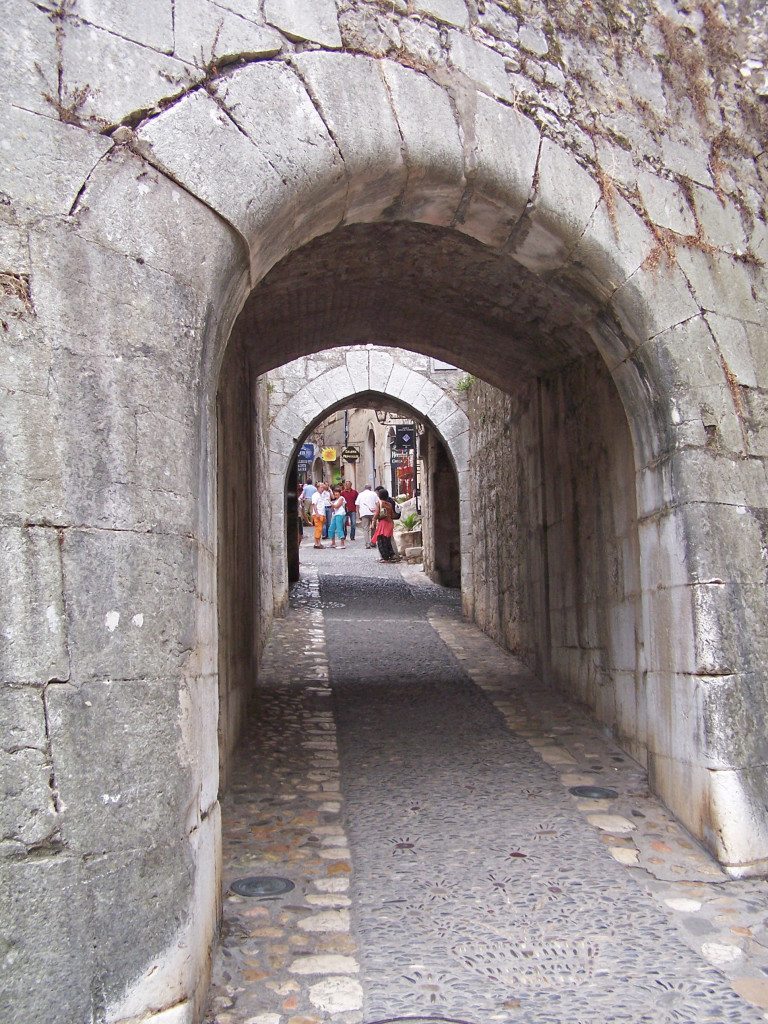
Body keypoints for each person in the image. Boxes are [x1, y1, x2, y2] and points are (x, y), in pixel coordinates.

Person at [371, 486, 398, 562]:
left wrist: (373, 522)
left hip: (383, 523)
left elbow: (376, 514)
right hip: (390, 523)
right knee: (388, 540)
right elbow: (392, 514)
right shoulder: (389, 504)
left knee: (381, 540)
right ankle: (392, 555)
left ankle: (385, 557)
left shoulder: (379, 503)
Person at [355, 483, 378, 549]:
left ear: (364, 488)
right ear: (370, 488)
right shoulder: (374, 494)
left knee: (365, 529)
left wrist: (358, 514)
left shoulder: (360, 494)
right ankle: (373, 542)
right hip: (373, 513)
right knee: (373, 528)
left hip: (364, 513)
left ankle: (367, 544)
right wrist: (377, 512)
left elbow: (357, 505)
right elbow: (377, 503)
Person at [310, 483, 327, 548]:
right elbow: (314, 505)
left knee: (319, 529)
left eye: (323, 488)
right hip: (318, 514)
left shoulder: (321, 495)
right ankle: (318, 544)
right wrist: (317, 513)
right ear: (318, 488)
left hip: (321, 514)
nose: (322, 489)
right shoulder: (315, 495)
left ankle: (316, 543)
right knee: (318, 529)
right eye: (321, 487)